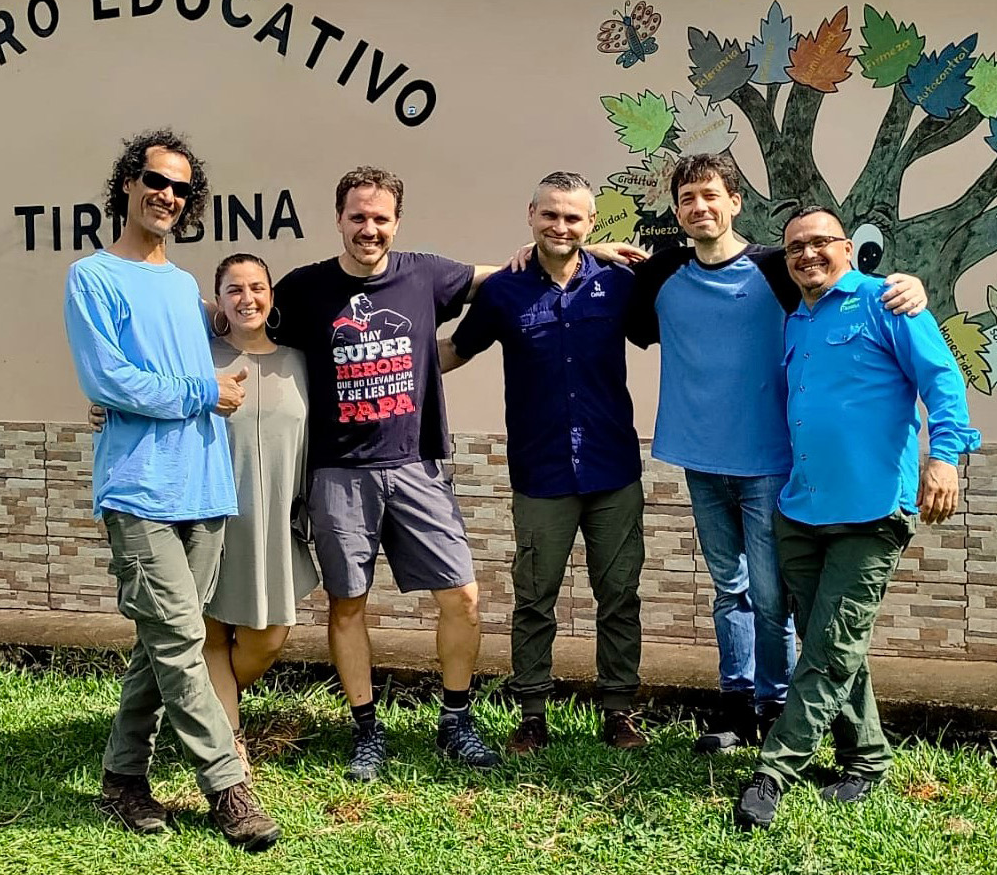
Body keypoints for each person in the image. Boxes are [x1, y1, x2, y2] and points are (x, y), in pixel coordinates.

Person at [626, 153, 928, 752]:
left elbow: (839, 282)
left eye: (711, 195)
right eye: (687, 198)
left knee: (772, 595)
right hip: (700, 459)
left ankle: (778, 701)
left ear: (735, 202)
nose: (699, 207)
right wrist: (593, 252)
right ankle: (735, 705)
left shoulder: (776, 269)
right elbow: (613, 307)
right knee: (728, 589)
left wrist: (908, 283)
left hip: (769, 462)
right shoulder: (660, 275)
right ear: (677, 209)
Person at [62, 129, 279, 851]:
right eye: (156, 179)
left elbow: (179, 368)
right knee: (182, 639)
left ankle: (122, 779)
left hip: (206, 488)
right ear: (127, 182)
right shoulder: (91, 276)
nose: (167, 195)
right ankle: (227, 788)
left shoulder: (186, 286)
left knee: (162, 643)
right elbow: (109, 380)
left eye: (182, 188)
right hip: (140, 490)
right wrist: (195, 391)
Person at [734, 205, 980, 830]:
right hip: (801, 508)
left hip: (872, 512)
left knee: (829, 645)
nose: (807, 255)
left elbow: (944, 382)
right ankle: (866, 757)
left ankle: (775, 771)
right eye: (794, 248)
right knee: (834, 643)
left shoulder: (889, 302)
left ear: (848, 248)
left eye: (820, 243)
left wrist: (945, 458)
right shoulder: (795, 320)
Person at [269, 166, 516, 781]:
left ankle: (456, 721)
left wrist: (585, 248)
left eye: (380, 218)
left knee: (460, 597)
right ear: (339, 219)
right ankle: (366, 731)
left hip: (416, 467)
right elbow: (243, 327)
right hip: (338, 473)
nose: (369, 229)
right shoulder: (304, 289)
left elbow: (513, 271)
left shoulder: (425, 274)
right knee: (347, 604)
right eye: (358, 217)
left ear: (396, 221)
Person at [90, 253, 319, 784]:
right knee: (207, 632)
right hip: (209, 508)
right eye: (233, 289)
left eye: (257, 286)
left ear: (271, 295)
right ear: (217, 302)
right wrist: (105, 407)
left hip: (276, 518)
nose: (247, 298)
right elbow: (138, 390)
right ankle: (227, 740)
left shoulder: (299, 361)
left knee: (269, 633)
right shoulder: (198, 359)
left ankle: (195, 702)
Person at [440, 171, 647, 753]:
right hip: (541, 472)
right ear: (530, 214)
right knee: (534, 597)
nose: (562, 227)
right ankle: (532, 711)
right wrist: (389, 365)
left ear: (590, 223)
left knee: (620, 595)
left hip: (613, 469)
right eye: (550, 215)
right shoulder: (504, 291)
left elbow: (677, 309)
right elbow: (458, 349)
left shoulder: (618, 283)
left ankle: (618, 709)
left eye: (574, 218)